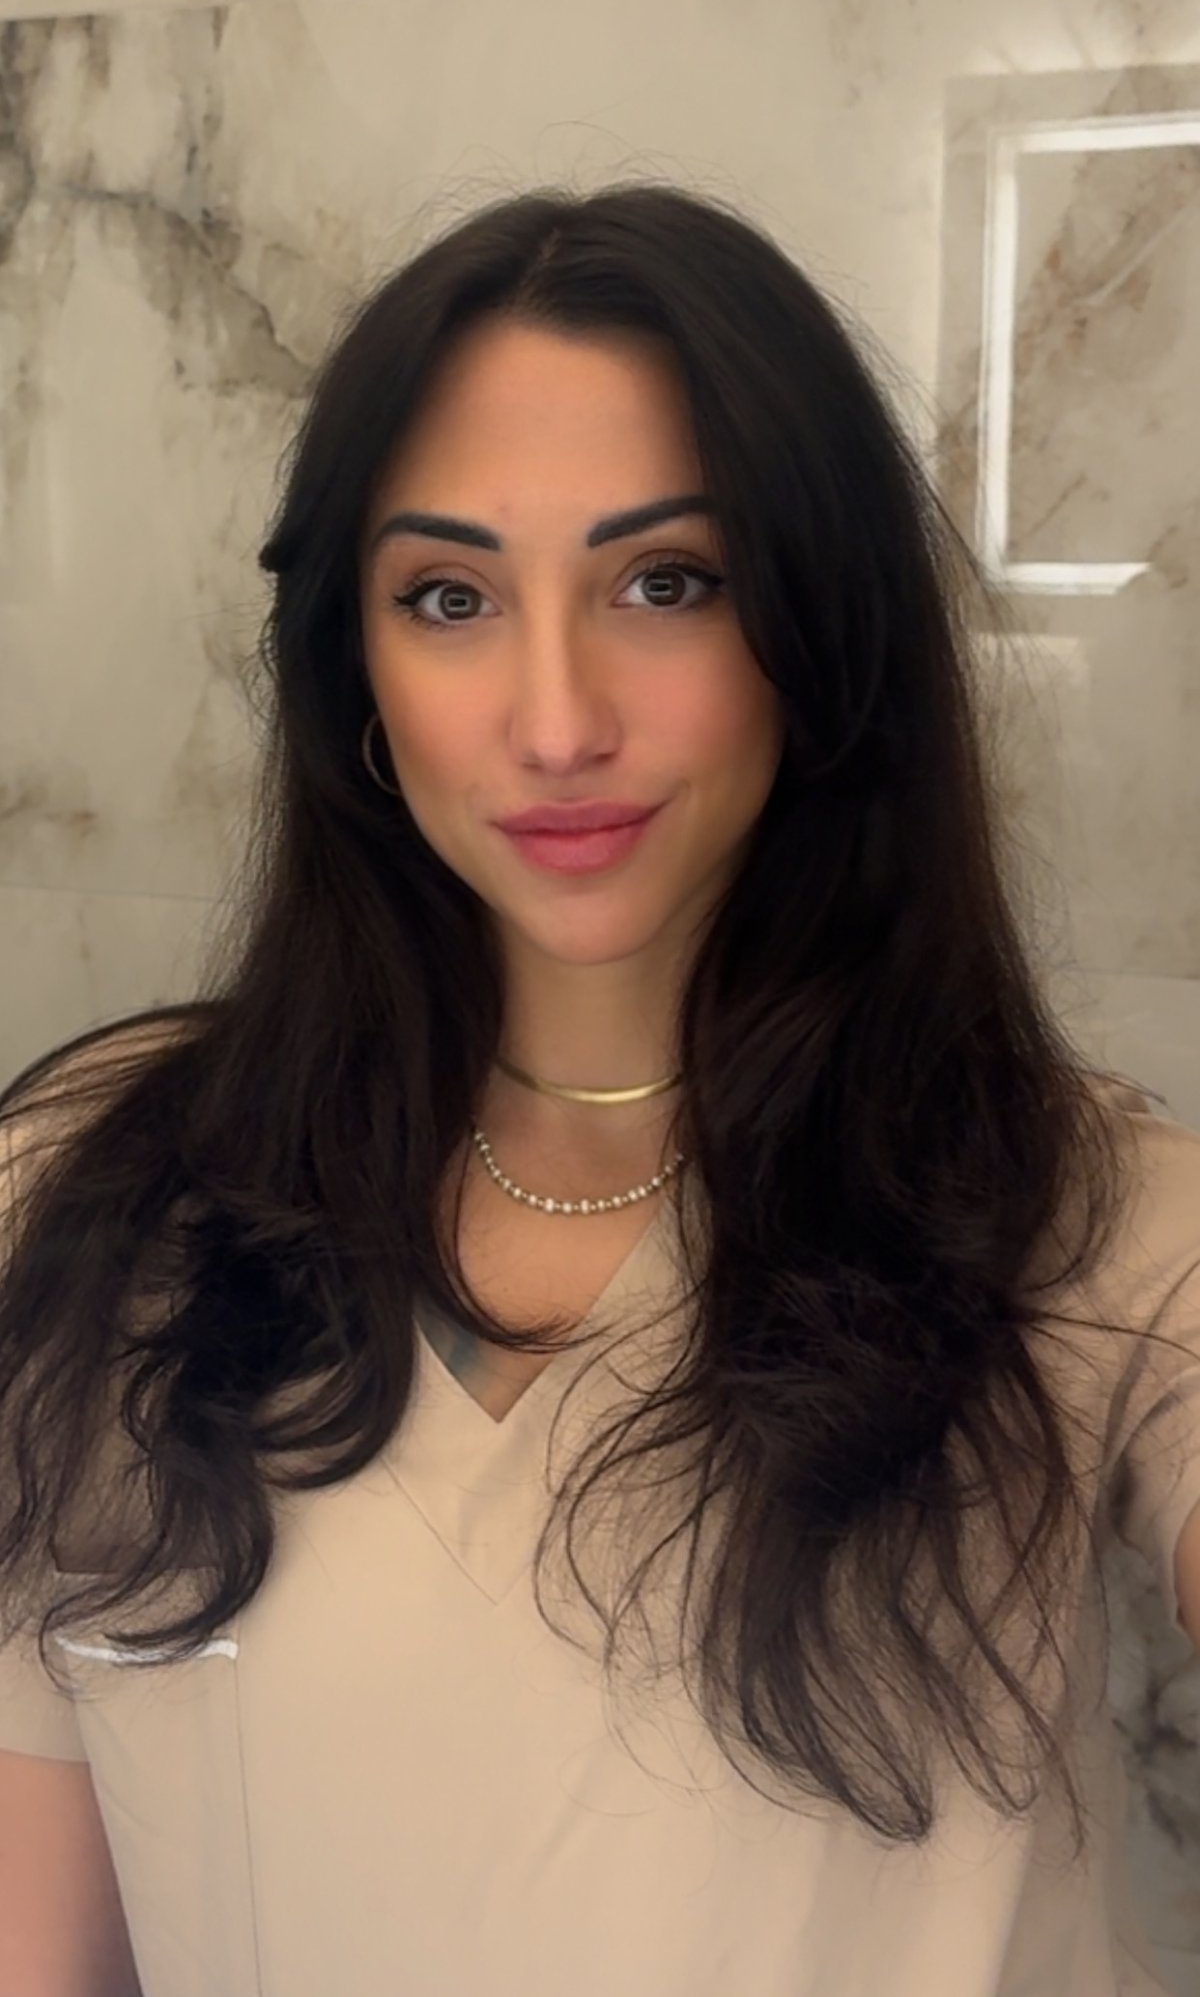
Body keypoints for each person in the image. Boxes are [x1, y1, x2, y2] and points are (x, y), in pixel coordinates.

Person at [0, 182, 1197, 1997]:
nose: (557, 721)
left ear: (816, 628)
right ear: (353, 663)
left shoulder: (1085, 1220)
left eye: (665, 582)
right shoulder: (90, 1198)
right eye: (450, 596)